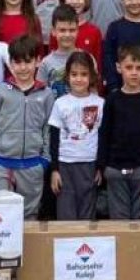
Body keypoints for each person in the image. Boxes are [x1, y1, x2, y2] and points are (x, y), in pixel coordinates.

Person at [0, 36, 55, 219]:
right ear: (11, 63)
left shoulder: (46, 94)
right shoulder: (1, 90)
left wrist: (44, 160)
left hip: (32, 164)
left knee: (29, 215)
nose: (23, 67)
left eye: (28, 62)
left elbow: (47, 129)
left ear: (37, 61)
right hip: (0, 163)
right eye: (18, 62)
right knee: (0, 215)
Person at [98, 45, 140, 219]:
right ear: (119, 67)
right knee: (119, 222)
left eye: (139, 68)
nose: (134, 73)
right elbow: (104, 134)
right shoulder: (112, 100)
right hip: (115, 170)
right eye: (129, 67)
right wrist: (103, 166)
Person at [48, 52, 104, 220]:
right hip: (65, 164)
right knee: (66, 213)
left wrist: (100, 166)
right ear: (67, 76)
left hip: (89, 163)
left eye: (84, 74)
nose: (79, 79)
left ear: (91, 76)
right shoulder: (60, 103)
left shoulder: (100, 103)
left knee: (87, 212)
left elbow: (103, 137)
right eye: (74, 74)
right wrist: (54, 170)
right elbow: (54, 138)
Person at [48, 0, 102, 64]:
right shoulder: (57, 29)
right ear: (63, 0)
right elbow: (51, 60)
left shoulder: (94, 31)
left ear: (86, 0)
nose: (75, 2)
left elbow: (97, 63)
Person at [39, 5, 80, 97]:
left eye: (72, 30)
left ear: (78, 30)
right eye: (62, 30)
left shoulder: (87, 59)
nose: (67, 35)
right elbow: (40, 97)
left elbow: (93, 94)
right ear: (53, 31)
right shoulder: (46, 63)